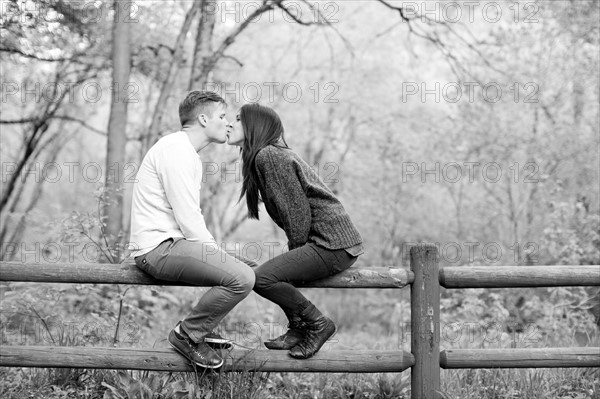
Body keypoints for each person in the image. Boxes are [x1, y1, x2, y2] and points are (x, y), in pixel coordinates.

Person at [128, 91, 255, 369]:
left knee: (250, 267)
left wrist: (218, 255)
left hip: (173, 245)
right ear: (202, 118)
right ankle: (188, 334)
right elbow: (188, 216)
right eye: (221, 116)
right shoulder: (176, 149)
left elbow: (188, 219)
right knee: (242, 277)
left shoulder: (186, 152)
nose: (226, 123)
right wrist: (217, 254)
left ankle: (202, 329)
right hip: (158, 249)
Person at [226, 103, 364, 359]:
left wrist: (296, 253)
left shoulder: (269, 155)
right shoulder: (266, 156)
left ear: (255, 126)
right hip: (331, 243)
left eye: (237, 119)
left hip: (332, 244)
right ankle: (298, 328)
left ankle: (318, 324)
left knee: (263, 278)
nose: (229, 124)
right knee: (273, 274)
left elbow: (296, 212)